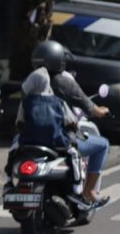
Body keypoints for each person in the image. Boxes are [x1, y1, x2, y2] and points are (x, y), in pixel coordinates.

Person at [31, 40, 110, 204]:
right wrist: (103, 111)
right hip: (60, 139)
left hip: (31, 138)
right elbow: (90, 108)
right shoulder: (64, 81)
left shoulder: (31, 82)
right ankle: (89, 191)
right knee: (103, 145)